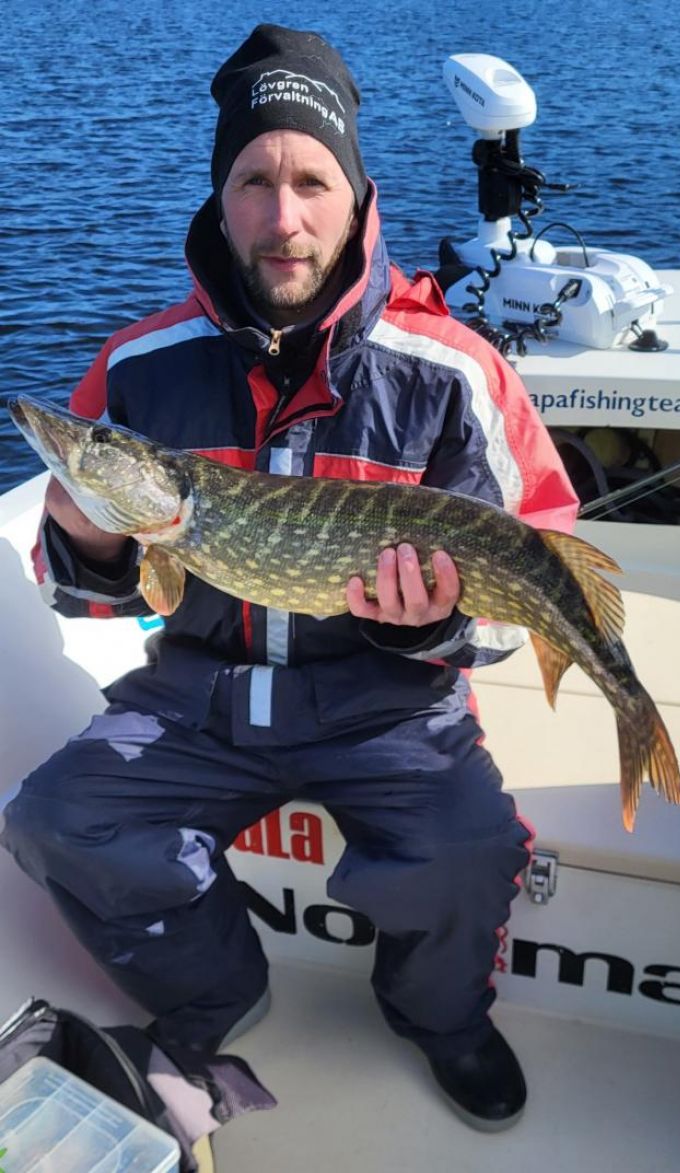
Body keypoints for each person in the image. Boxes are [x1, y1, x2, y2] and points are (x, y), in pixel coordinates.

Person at [1, 25, 578, 1132]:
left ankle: (439, 1015)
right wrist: (95, 544)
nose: (283, 217)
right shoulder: (138, 369)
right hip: (199, 696)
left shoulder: (451, 371)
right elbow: (86, 596)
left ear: (357, 195)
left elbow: (530, 561)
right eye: (253, 183)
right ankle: (217, 989)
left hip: (388, 700)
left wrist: (428, 630)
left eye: (311, 181)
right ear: (221, 202)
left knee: (465, 850)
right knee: (56, 819)